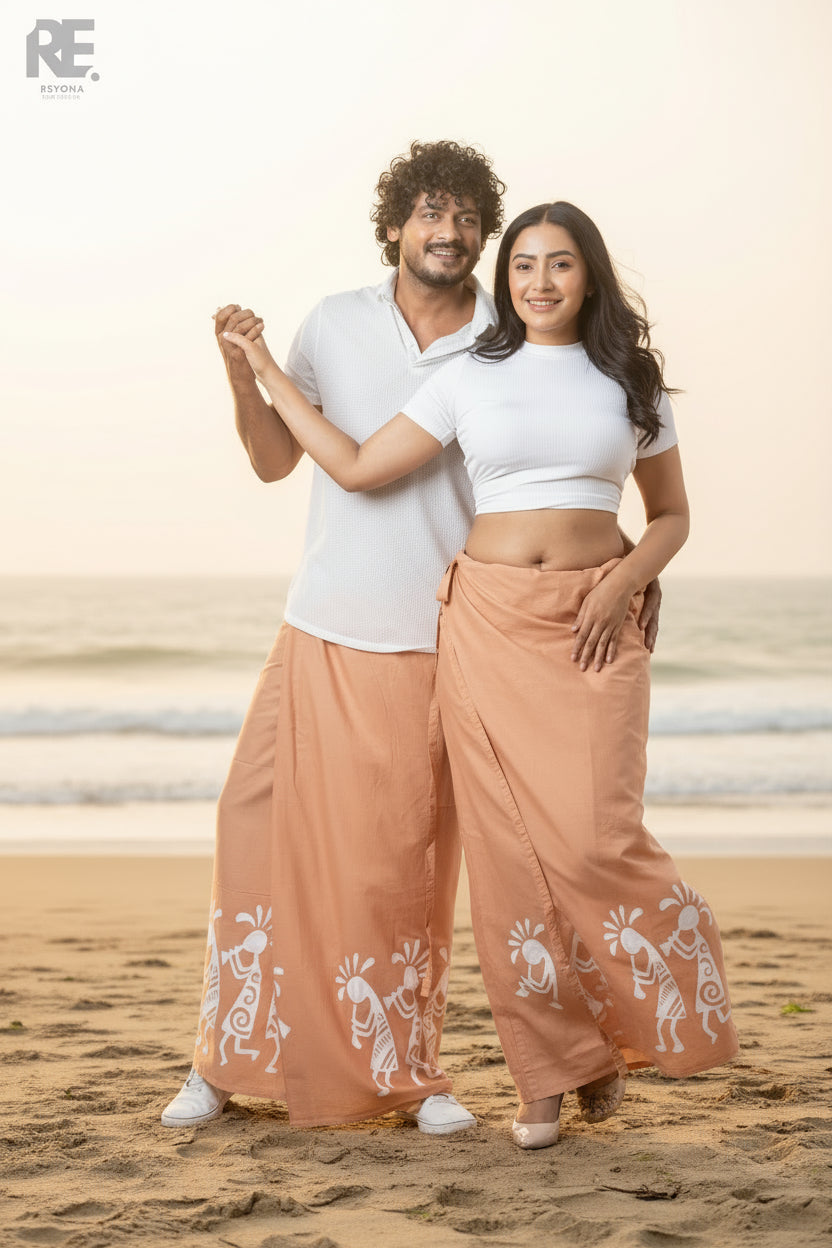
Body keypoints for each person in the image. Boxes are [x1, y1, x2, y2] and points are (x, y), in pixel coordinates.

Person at [222, 200, 739, 1149]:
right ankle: (546, 1079)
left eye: (561, 265)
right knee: (509, 864)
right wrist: (261, 372)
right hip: (488, 622)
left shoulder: (633, 381)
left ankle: (624, 1026)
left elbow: (671, 515)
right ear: (507, 280)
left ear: (591, 277)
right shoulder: (470, 373)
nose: (540, 283)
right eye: (525, 267)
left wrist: (623, 579)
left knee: (593, 840)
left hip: (593, 628)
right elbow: (358, 465)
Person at [161, 140, 509, 1133]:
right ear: (395, 225)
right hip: (317, 616)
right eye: (429, 212)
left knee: (393, 859)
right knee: (253, 824)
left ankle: (410, 1072)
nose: (448, 231)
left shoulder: (500, 342)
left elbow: (502, 481)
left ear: (482, 232)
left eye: (466, 216)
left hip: (428, 632)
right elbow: (277, 459)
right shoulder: (335, 321)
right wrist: (243, 377)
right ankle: (225, 1061)